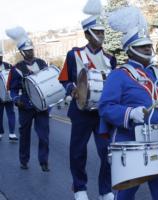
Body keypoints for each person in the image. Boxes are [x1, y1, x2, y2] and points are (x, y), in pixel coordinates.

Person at [99, 6, 158, 200]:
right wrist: (130, 113)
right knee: (127, 192)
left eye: (148, 45)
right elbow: (106, 107)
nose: (148, 49)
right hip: (131, 142)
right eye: (142, 46)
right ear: (130, 50)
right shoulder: (119, 75)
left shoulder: (155, 72)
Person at [58, 0, 116, 199]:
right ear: (87, 34)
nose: (100, 36)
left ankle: (106, 190)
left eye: (102, 33)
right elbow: (64, 78)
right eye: (97, 32)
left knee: (107, 152)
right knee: (78, 152)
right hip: (81, 111)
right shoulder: (74, 54)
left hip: (103, 114)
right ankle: (80, 187)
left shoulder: (110, 58)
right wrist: (72, 88)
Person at [6, 26, 50, 171]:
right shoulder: (16, 68)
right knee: (25, 136)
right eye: (27, 51)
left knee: (44, 136)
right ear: (22, 52)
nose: (30, 53)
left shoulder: (42, 64)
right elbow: (12, 89)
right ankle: (24, 160)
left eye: (32, 50)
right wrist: (16, 99)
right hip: (25, 105)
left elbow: (49, 81)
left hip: (42, 105)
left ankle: (43, 161)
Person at [0, 46, 17, 141]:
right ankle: (0, 132)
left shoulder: (9, 66)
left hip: (8, 93)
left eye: (1, 56)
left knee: (11, 113)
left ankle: (12, 133)